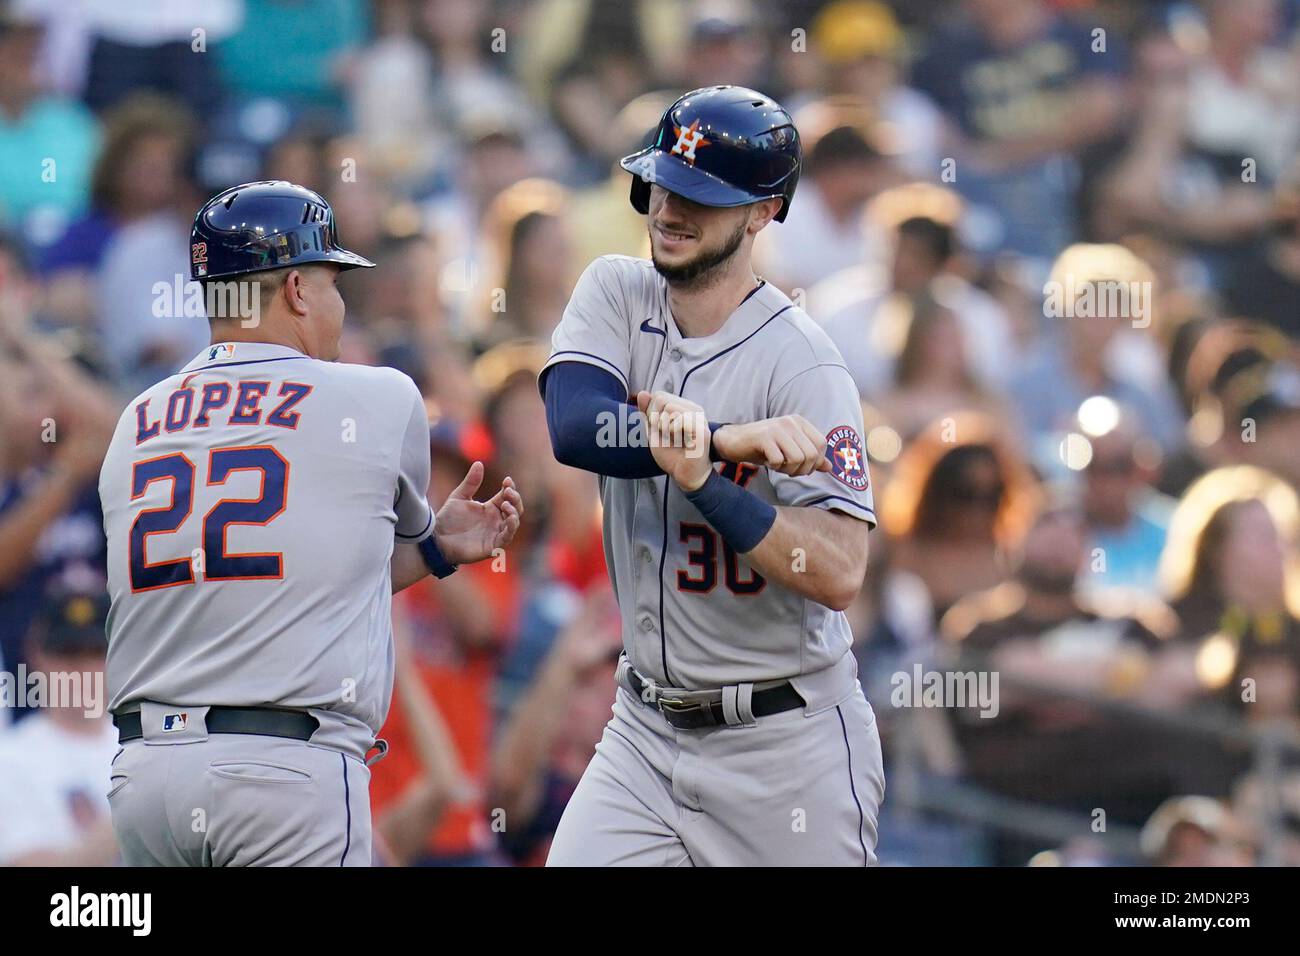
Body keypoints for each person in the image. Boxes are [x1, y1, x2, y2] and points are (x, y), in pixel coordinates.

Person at [99, 181, 522, 867]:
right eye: (331, 281)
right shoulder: (376, 396)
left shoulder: (136, 418)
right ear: (296, 288)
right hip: (283, 775)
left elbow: (280, 575)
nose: (337, 302)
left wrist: (438, 552)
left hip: (146, 779)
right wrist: (431, 545)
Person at [541, 86, 884, 866]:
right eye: (664, 183)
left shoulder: (804, 364)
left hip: (784, 745)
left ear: (764, 212)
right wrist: (723, 439)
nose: (670, 208)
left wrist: (708, 480)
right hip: (643, 731)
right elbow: (573, 427)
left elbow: (837, 570)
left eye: (701, 194)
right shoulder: (616, 292)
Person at [0, 590, 119, 866]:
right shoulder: (10, 759)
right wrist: (131, 814)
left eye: (95, 653)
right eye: (68, 654)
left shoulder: (142, 745)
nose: (82, 670)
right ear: (37, 656)